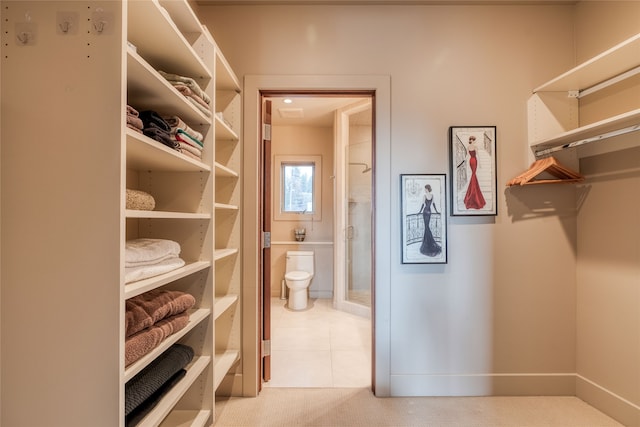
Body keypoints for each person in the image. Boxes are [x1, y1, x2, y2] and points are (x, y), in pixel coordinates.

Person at [418, 184, 442, 257]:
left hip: (425, 212)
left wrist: (419, 212)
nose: (425, 190)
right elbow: (433, 204)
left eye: (425, 188)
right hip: (429, 211)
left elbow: (423, 205)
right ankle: (429, 241)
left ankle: (427, 243)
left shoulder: (424, 196)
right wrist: (437, 211)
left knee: (426, 227)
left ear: (427, 189)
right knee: (427, 227)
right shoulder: (432, 196)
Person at [463, 135, 486, 209]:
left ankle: (472, 190)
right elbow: (477, 155)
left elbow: (467, 156)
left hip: (471, 161)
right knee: (473, 174)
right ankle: (473, 190)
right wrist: (480, 164)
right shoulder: (475, 147)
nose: (474, 141)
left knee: (473, 174)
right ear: (472, 140)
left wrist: (465, 160)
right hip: (474, 160)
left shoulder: (468, 147)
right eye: (474, 140)